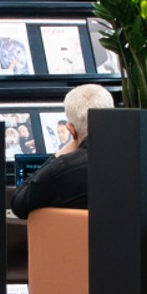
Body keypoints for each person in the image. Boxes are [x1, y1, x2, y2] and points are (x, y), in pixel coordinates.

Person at [10, 84, 111, 218]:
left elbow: (19, 204)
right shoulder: (139, 157)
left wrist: (60, 155)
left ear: (70, 130)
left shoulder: (64, 168)